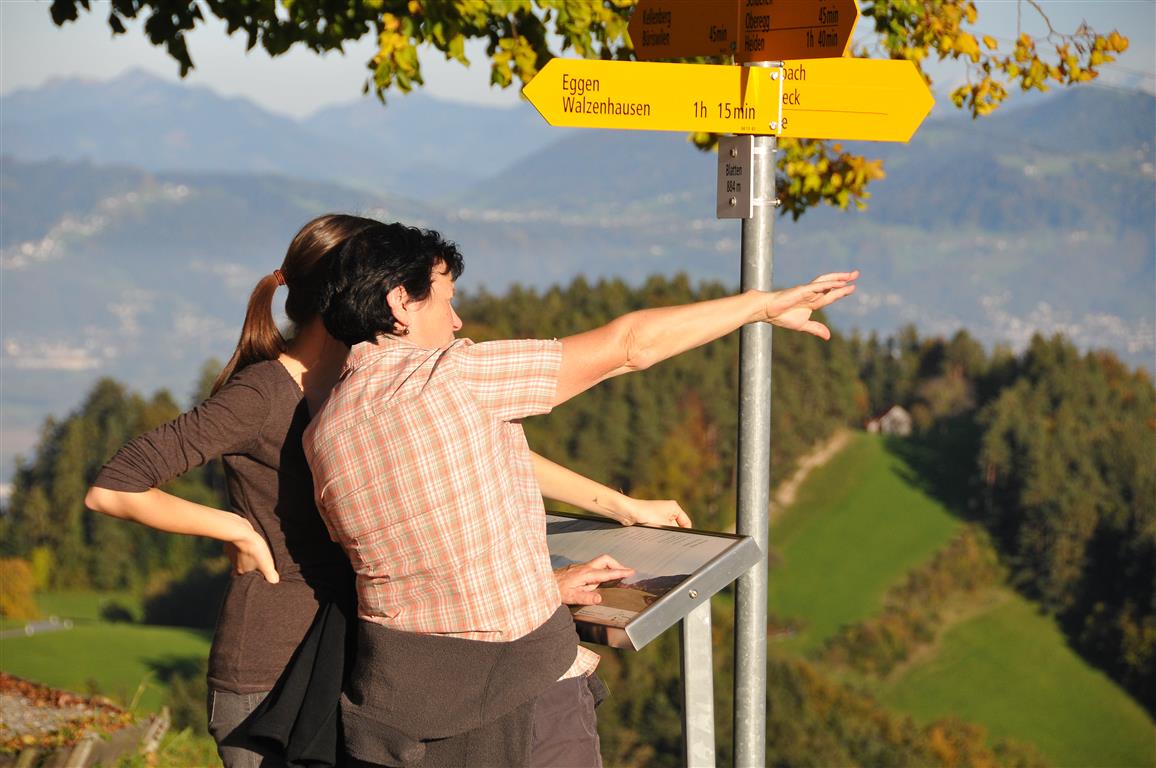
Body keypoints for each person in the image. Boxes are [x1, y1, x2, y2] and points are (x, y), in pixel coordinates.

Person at [84, 214, 687, 768]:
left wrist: (614, 507)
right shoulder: (265, 394)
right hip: (275, 668)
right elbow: (115, 486)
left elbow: (481, 444)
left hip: (349, 656)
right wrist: (237, 530)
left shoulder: (363, 386)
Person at [304, 221, 858, 767]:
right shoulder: (452, 378)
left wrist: (548, 579)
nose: (457, 320)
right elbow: (629, 346)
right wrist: (762, 306)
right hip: (518, 698)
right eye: (447, 300)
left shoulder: (324, 431)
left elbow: (423, 557)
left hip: (400, 711)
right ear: (401, 303)